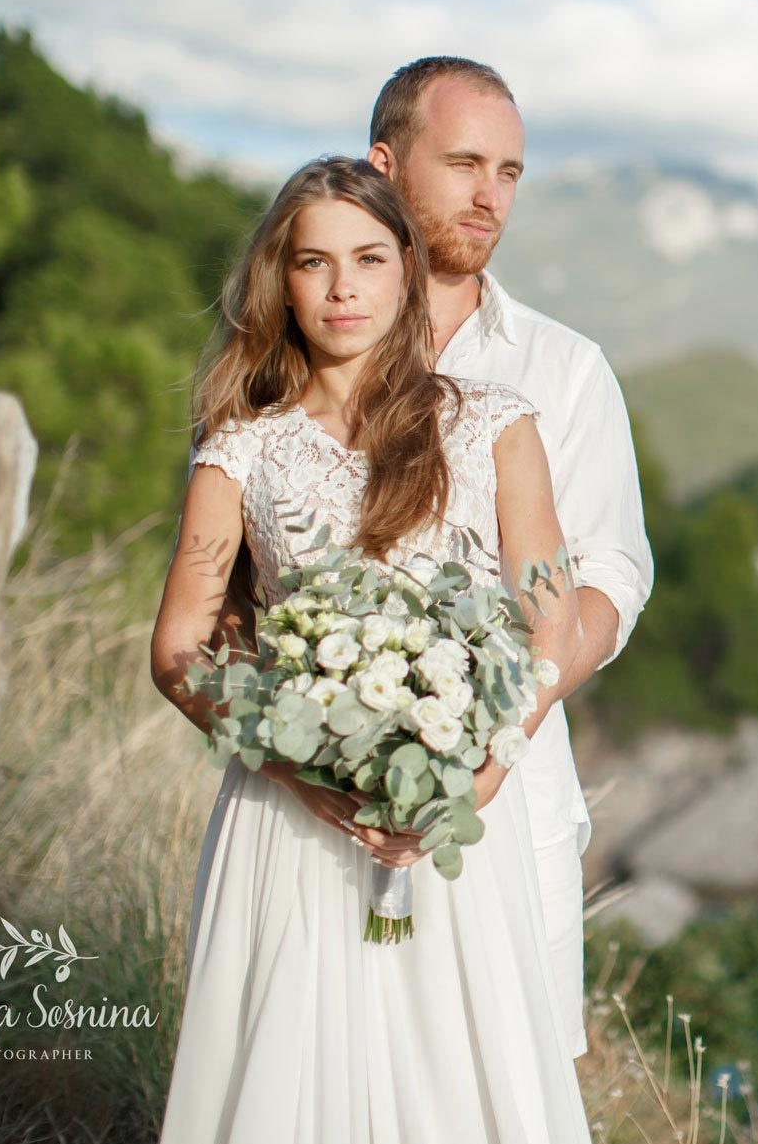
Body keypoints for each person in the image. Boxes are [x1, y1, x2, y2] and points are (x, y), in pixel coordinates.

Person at [150, 155, 593, 1140]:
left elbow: (552, 623)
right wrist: (296, 771)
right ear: (282, 279)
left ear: (405, 269)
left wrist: (475, 779)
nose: (342, 287)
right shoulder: (240, 444)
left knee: (454, 1086)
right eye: (313, 263)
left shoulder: (494, 424)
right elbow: (180, 648)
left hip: (454, 823)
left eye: (366, 258)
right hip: (289, 823)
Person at [362, 55, 654, 1060]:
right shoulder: (298, 350)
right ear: (385, 163)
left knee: (495, 1085)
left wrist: (500, 728)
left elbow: (610, 576)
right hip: (321, 792)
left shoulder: (563, 369)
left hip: (505, 794)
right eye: (464, 164)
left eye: (511, 172)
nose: (491, 196)